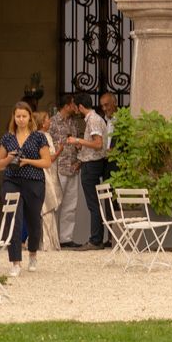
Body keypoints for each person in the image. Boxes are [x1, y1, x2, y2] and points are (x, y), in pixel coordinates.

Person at [0, 101, 51, 276]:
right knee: (14, 219)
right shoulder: (7, 138)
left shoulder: (38, 137)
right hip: (12, 181)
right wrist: (9, 158)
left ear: (30, 118)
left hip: (34, 181)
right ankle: (15, 262)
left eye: (24, 116)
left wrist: (27, 161)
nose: (20, 119)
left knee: (33, 219)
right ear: (14, 117)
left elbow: (47, 162)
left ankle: (33, 253)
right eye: (17, 116)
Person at [62, 93, 108, 250]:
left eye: (75, 105)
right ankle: (97, 238)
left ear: (80, 106)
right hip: (92, 163)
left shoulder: (93, 119)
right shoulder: (95, 119)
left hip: (92, 165)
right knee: (95, 203)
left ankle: (95, 240)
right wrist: (81, 146)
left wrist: (78, 140)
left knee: (93, 204)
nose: (74, 108)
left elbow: (98, 144)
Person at [45, 93, 84, 247]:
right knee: (55, 204)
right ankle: (52, 237)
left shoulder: (74, 123)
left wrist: (79, 161)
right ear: (67, 105)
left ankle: (66, 238)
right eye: (73, 104)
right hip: (58, 168)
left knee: (71, 205)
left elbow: (78, 144)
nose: (75, 107)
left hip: (73, 167)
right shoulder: (52, 122)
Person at [32, 110, 62, 252]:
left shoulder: (40, 136)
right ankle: (47, 242)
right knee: (47, 207)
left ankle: (48, 241)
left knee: (46, 208)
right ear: (42, 123)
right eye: (48, 119)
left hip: (48, 174)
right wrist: (60, 150)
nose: (50, 121)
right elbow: (49, 159)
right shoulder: (43, 136)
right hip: (45, 174)